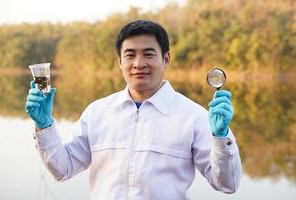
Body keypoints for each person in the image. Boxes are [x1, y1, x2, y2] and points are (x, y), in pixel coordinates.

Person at [25, 19, 242, 200]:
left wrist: (221, 138)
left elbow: (227, 184)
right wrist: (44, 126)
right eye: (130, 55)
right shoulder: (97, 112)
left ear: (165, 59)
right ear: (120, 61)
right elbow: (63, 169)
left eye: (148, 54)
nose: (138, 63)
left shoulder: (193, 116)